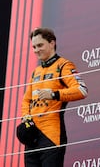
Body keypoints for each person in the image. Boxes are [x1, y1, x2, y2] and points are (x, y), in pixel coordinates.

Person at [19, 27, 88, 167]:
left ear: (52, 43)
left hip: (52, 134)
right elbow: (26, 100)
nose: (36, 50)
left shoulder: (64, 65)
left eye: (40, 45)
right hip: (32, 135)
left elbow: (82, 90)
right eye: (33, 47)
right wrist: (26, 117)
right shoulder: (36, 72)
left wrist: (54, 94)